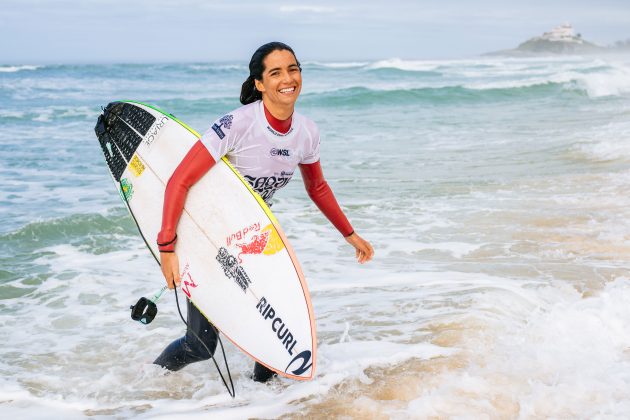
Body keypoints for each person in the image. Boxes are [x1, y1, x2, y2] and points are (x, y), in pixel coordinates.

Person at [153, 42, 374, 382]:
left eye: (293, 69)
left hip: (252, 237)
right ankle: (147, 382)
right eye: (275, 72)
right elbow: (179, 181)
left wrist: (350, 234)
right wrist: (167, 247)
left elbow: (317, 187)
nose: (287, 78)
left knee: (276, 330)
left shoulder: (306, 132)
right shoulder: (236, 125)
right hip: (208, 237)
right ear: (259, 83)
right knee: (200, 345)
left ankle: (262, 402)